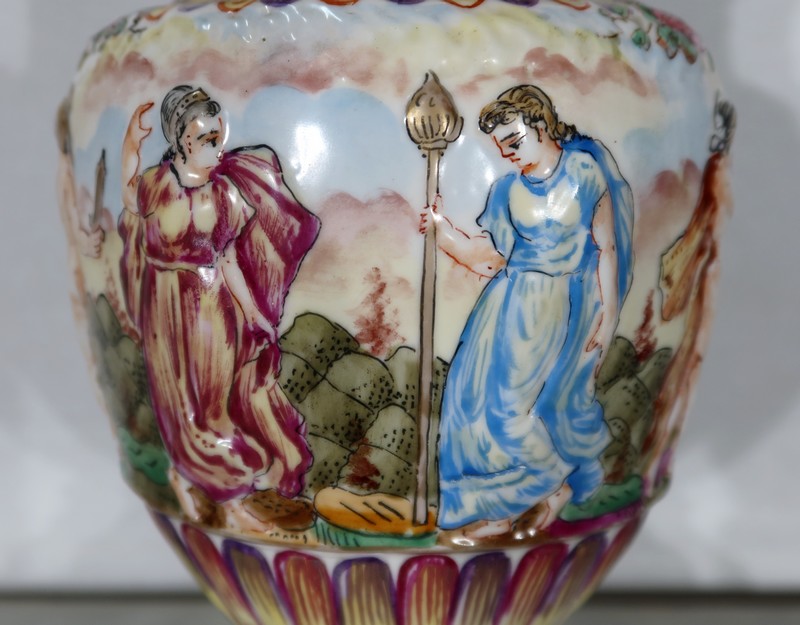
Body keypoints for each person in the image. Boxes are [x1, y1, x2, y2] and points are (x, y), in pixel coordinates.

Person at [427, 85, 634, 539]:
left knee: (507, 412)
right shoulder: (507, 191)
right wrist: (443, 233)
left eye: (515, 141)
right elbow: (491, 258)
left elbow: (607, 248)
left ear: (541, 125)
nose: (507, 154)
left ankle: (552, 482)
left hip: (549, 305)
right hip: (503, 302)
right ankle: (501, 510)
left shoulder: (583, 173)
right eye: (501, 146)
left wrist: (608, 316)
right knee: (469, 405)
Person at [118, 85, 320, 530]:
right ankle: (199, 485)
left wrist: (255, 315)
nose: (216, 148)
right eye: (205, 139)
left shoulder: (225, 194)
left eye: (217, 136)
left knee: (214, 401)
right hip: (165, 308)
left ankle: (225, 489)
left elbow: (228, 260)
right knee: (178, 402)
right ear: (181, 142)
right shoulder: (157, 185)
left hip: (212, 309)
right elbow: (129, 195)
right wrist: (131, 142)